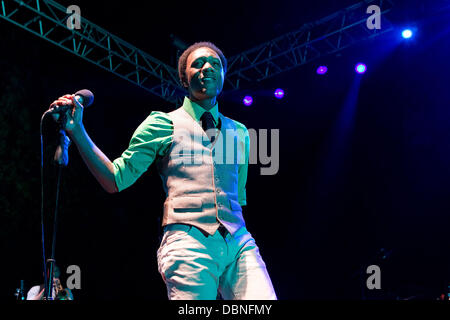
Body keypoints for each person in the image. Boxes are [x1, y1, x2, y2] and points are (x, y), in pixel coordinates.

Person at [50, 41, 276, 300]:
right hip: (188, 243)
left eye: (215, 64)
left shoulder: (240, 132)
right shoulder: (162, 123)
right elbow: (115, 178)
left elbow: (238, 197)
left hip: (238, 243)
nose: (207, 68)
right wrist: (77, 131)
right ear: (184, 78)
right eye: (198, 64)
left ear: (224, 74)